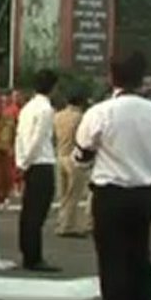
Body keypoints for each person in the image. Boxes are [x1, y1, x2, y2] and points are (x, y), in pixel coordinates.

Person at [75, 50, 151, 300]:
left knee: (113, 263)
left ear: (111, 76)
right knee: (140, 260)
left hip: (110, 192)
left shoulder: (101, 112)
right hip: (143, 193)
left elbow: (82, 152)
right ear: (142, 78)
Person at [14, 69, 59, 271]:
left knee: (28, 212)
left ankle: (27, 253)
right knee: (37, 214)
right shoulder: (46, 109)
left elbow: (20, 137)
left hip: (27, 161)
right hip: (41, 162)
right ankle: (34, 257)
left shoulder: (27, 108)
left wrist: (20, 161)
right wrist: (27, 162)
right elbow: (38, 139)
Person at [54, 93, 91, 237]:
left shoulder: (58, 116)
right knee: (73, 194)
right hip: (74, 157)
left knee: (63, 194)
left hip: (60, 155)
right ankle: (68, 225)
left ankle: (61, 221)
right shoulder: (80, 118)